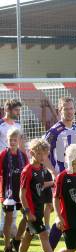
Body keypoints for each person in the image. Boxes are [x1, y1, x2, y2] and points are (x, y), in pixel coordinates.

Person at [44, 97, 76, 252]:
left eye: (71, 108)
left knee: (72, 214)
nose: (69, 112)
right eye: (65, 109)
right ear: (59, 110)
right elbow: (44, 154)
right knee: (62, 215)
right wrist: (53, 172)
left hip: (75, 178)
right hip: (61, 179)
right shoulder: (54, 131)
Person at [13, 139, 54, 252]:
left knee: (28, 237)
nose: (43, 157)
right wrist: (27, 212)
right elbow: (22, 193)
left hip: (38, 209)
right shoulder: (27, 171)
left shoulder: (41, 169)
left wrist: (53, 182)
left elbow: (40, 186)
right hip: (31, 212)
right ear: (32, 153)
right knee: (43, 234)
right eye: (40, 154)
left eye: (45, 154)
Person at [0, 128, 28, 252]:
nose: (12, 142)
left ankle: (16, 240)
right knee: (8, 219)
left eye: (15, 140)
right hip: (8, 193)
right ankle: (7, 247)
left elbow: (28, 173)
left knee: (27, 217)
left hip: (22, 193)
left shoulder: (23, 155)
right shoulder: (3, 154)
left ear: (19, 140)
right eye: (10, 140)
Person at [0, 100, 23, 242]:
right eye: (16, 110)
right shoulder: (0, 124)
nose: (18, 113)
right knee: (5, 198)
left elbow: (21, 144)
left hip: (15, 165)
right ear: (7, 109)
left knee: (15, 200)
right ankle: (6, 231)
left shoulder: (18, 125)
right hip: (3, 165)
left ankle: (10, 232)